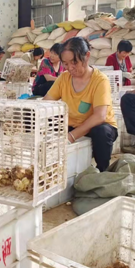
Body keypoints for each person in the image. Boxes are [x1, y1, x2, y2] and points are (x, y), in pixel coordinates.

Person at [44, 37, 118, 172]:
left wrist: (71, 137)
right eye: (65, 64)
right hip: (73, 124)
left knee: (101, 132)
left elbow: (99, 116)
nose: (70, 68)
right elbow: (46, 103)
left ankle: (102, 170)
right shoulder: (64, 78)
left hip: (98, 126)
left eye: (74, 62)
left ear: (87, 56)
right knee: (45, 121)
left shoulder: (100, 80)